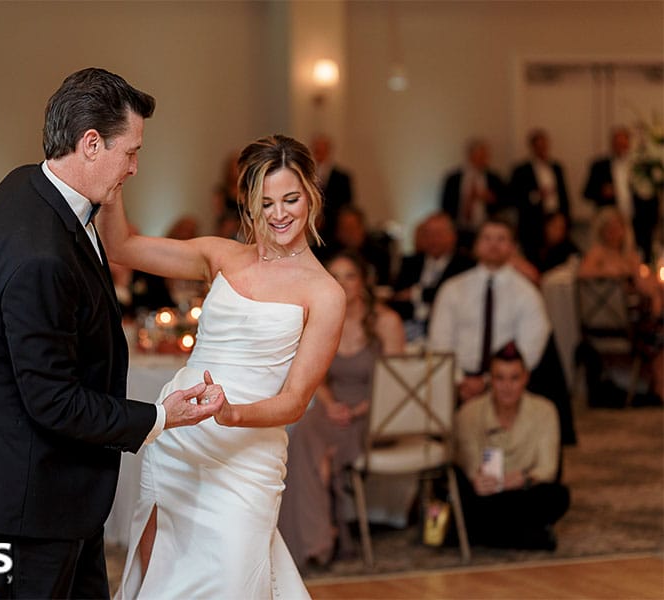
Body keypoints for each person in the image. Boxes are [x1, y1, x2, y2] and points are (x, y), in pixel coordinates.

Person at [0, 67, 223, 600]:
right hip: (34, 501)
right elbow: (50, 400)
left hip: (49, 489)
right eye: (131, 153)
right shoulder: (40, 257)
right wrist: (162, 417)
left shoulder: (22, 188)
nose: (136, 168)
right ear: (91, 143)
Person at [97, 134, 345, 599]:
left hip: (246, 458)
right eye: (265, 202)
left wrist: (232, 413)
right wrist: (113, 177)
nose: (279, 213)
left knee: (233, 581)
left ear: (311, 194)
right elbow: (121, 245)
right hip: (178, 438)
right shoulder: (222, 256)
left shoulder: (326, 294)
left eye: (291, 198)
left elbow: (293, 402)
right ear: (250, 205)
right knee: (161, 574)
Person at [279, 251, 404, 571]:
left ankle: (325, 538)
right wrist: (331, 403)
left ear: (362, 282)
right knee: (301, 436)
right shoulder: (322, 318)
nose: (343, 283)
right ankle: (314, 541)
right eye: (335, 275)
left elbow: (397, 384)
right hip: (333, 407)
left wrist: (361, 409)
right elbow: (312, 372)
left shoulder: (387, 322)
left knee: (324, 458)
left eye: (350, 275)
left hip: (376, 412)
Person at [429, 218, 576, 445]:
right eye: (487, 239)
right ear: (476, 245)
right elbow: (439, 342)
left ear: (512, 247)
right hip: (457, 382)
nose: (493, 245)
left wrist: (490, 382)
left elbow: (530, 350)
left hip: (506, 383)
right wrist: (460, 381)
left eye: (501, 239)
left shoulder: (527, 294)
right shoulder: (452, 289)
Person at [453, 342, 570, 550]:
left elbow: (548, 469)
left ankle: (489, 535)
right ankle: (524, 536)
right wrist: (478, 480)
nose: (507, 387)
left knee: (557, 496)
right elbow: (468, 464)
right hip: (485, 496)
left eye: (514, 378)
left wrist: (523, 479)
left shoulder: (545, 411)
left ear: (526, 378)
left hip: (524, 493)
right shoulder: (468, 414)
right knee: (460, 496)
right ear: (490, 379)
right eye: (500, 378)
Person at [578, 207, 663, 404]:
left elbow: (646, 287)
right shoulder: (597, 253)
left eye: (618, 227)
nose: (614, 232)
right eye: (609, 227)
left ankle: (658, 386)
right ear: (601, 230)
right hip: (612, 321)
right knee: (659, 333)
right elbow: (583, 275)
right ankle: (659, 388)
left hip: (633, 317)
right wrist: (613, 275)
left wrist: (652, 291)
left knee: (659, 327)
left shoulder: (630, 256)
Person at [390, 212, 474, 341]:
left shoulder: (465, 265)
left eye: (438, 234)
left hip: (448, 332)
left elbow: (449, 295)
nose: (433, 239)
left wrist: (415, 294)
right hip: (408, 331)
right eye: (428, 234)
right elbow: (398, 297)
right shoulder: (410, 262)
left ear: (452, 236)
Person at [584, 126, 660, 262]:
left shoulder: (641, 164)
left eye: (623, 141)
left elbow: (652, 193)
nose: (620, 145)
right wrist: (602, 191)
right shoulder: (600, 165)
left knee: (641, 256)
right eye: (617, 142)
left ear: (629, 143)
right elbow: (587, 192)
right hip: (610, 223)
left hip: (638, 220)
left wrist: (652, 219)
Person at [509, 128, 571, 265]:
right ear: (532, 147)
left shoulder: (556, 167)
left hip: (555, 219)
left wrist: (565, 218)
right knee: (534, 256)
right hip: (532, 221)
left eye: (545, 145)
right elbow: (513, 197)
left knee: (558, 255)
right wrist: (536, 196)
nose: (542, 149)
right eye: (538, 146)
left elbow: (564, 195)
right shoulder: (521, 170)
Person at [440, 138, 508, 254]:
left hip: (484, 227)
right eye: (481, 155)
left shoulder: (493, 178)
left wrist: (490, 198)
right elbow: (445, 204)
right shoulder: (454, 178)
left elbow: (505, 201)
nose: (484, 158)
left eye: (485, 155)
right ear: (471, 155)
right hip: (460, 228)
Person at [311, 133, 353, 248]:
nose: (319, 153)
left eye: (322, 149)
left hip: (334, 232)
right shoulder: (307, 176)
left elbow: (346, 207)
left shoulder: (342, 178)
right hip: (311, 230)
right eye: (316, 149)